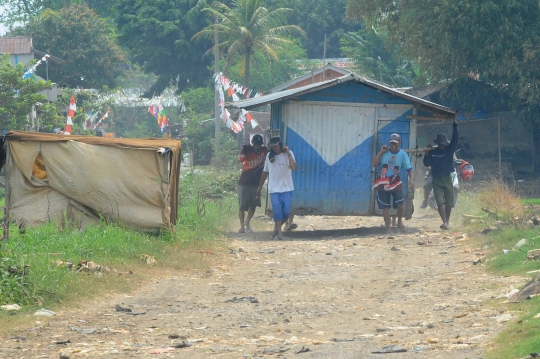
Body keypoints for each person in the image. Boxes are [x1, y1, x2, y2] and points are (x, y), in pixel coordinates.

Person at [371, 133, 414, 233]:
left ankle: (399, 222)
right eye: (392, 143)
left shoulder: (403, 155)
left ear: (399, 143)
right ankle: (388, 229)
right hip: (383, 182)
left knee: (400, 204)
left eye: (395, 143)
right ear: (389, 143)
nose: (393, 145)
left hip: (395, 182)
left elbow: (409, 169)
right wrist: (381, 151)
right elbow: (374, 164)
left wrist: (411, 180)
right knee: (385, 207)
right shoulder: (384, 153)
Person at [256, 136, 297, 240]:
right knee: (277, 211)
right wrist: (259, 187)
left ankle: (276, 230)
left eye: (276, 145)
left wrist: (288, 153)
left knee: (286, 213)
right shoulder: (269, 156)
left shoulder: (288, 154)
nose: (275, 148)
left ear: (280, 144)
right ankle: (279, 234)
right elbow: (265, 172)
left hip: (287, 187)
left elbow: (293, 167)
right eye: (272, 146)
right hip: (274, 189)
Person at [423, 120, 459, 230]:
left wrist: (455, 126)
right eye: (440, 143)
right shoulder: (433, 152)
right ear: (438, 143)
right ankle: (444, 222)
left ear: (446, 143)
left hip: (448, 178)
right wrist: (426, 153)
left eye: (444, 143)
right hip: (436, 179)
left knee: (449, 202)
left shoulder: (449, 150)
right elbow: (426, 163)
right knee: (440, 202)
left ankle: (447, 222)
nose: (442, 145)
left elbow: (455, 138)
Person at [237, 134, 269, 233]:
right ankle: (242, 227)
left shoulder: (265, 151)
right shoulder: (247, 150)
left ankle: (247, 222)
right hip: (244, 181)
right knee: (242, 205)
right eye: (256, 144)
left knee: (253, 205)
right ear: (253, 143)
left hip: (256, 182)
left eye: (259, 144)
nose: (258, 147)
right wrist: (244, 148)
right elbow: (240, 159)